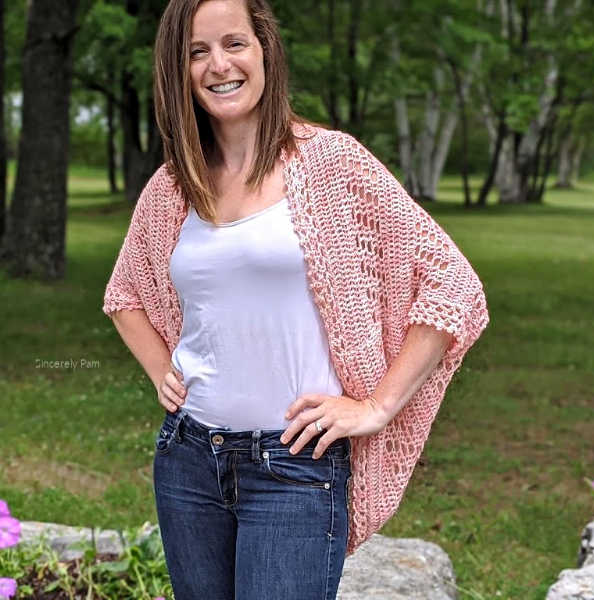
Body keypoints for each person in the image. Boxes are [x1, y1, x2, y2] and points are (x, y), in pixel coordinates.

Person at [102, 0, 490, 598]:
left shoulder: (332, 163)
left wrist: (378, 406)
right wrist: (162, 371)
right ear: (177, 70)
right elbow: (126, 293)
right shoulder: (175, 184)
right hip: (189, 462)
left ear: (265, 50)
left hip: (296, 466)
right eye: (196, 51)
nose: (217, 65)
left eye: (234, 43)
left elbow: (452, 286)